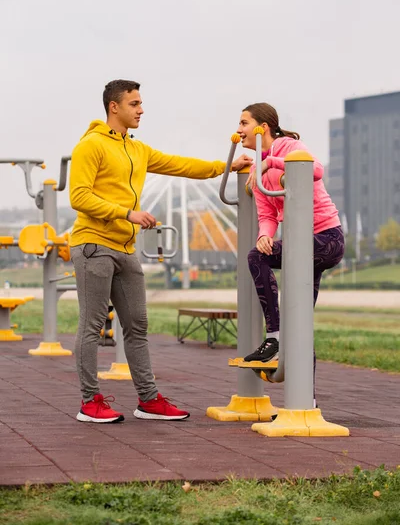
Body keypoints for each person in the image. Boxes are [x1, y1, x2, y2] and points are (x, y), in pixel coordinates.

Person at [69, 79, 252, 424]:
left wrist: (226, 168)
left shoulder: (137, 150)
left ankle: (148, 400)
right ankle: (89, 402)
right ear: (114, 107)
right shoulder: (90, 146)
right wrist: (127, 213)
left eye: (140, 103)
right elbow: (78, 197)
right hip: (93, 245)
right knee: (92, 326)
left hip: (125, 249)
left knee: (137, 326)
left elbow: (180, 165)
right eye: (134, 103)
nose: (141, 109)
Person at [237, 102, 344, 400]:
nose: (239, 129)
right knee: (298, 321)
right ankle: (305, 398)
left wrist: (271, 163)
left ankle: (275, 337)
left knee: (258, 263)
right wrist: (264, 236)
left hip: (327, 238)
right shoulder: (258, 172)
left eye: (244, 123)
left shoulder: (288, 145)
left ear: (263, 128)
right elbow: (268, 215)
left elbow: (316, 170)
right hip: (301, 244)